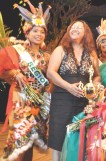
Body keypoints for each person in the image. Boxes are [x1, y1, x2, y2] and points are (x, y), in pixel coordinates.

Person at [0, 1, 51, 161]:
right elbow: (3, 70)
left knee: (30, 142)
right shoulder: (17, 51)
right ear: (27, 33)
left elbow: (51, 79)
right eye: (35, 31)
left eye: (42, 32)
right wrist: (15, 73)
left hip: (40, 103)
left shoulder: (47, 56)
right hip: (21, 101)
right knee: (19, 142)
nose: (38, 34)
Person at [47, 20, 100, 161]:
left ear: (86, 33)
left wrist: (93, 87)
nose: (74, 29)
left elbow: (97, 76)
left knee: (80, 137)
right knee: (59, 138)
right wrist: (68, 87)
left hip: (83, 102)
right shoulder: (60, 50)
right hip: (62, 100)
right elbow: (51, 73)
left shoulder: (91, 53)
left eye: (79, 27)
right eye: (72, 27)